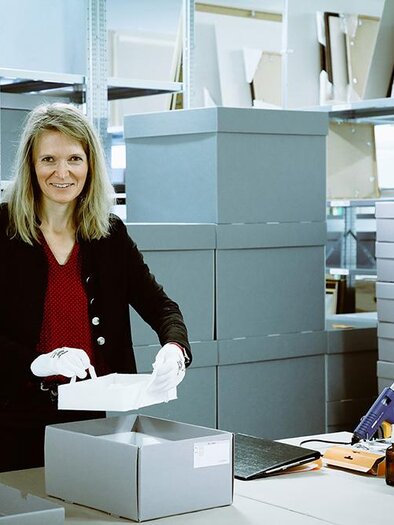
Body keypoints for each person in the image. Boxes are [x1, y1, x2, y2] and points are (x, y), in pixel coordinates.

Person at [0, 102, 192, 472]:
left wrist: (174, 347)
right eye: (48, 160)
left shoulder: (109, 233)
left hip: (93, 415)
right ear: (30, 166)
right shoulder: (3, 231)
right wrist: (35, 362)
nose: (62, 172)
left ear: (90, 165)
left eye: (74, 158)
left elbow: (160, 306)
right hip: (13, 415)